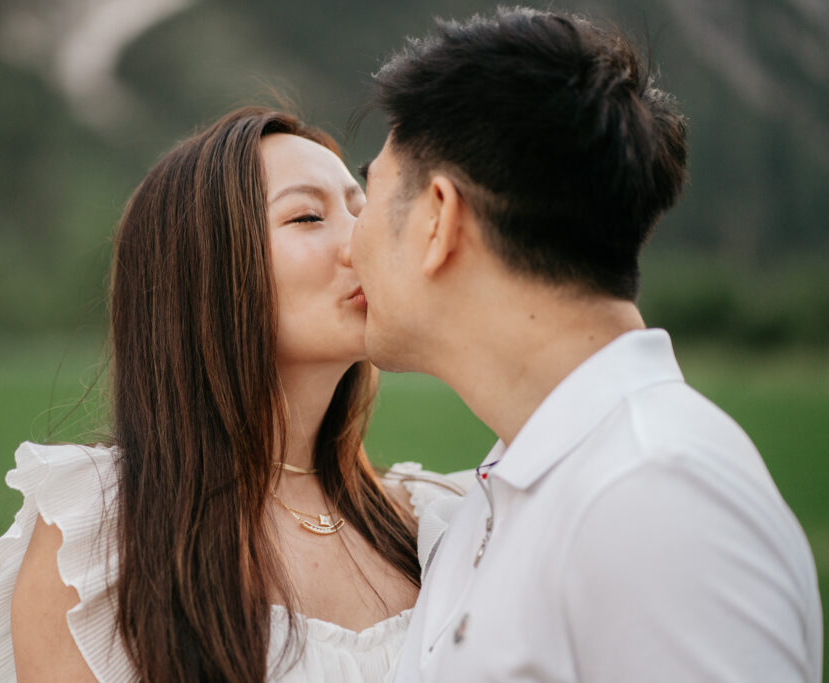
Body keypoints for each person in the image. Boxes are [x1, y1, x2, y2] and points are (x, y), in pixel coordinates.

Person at [348, 8, 823, 682]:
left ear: (437, 218)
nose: (349, 241)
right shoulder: (505, 491)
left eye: (369, 191)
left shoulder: (657, 497)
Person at [0, 107, 468, 682]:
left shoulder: (442, 523)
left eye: (361, 210)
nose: (363, 242)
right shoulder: (103, 535)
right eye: (306, 217)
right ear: (207, 273)